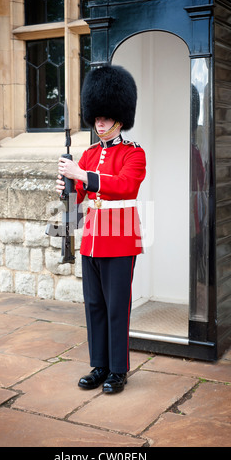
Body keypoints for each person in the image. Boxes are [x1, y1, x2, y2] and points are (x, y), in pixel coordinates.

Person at [56, 65, 146, 394]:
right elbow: (80, 196)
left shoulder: (134, 153)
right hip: (91, 241)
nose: (100, 123)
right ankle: (100, 366)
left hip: (121, 241)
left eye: (106, 118)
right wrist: (67, 186)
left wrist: (80, 175)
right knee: (94, 305)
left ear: (120, 119)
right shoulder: (90, 154)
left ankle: (119, 370)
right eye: (97, 118)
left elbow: (124, 186)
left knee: (116, 307)